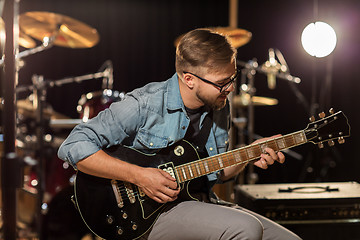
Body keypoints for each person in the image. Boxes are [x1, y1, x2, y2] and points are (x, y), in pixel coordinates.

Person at [58, 28, 301, 240]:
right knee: (246, 229)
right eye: (221, 82)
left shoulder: (219, 105)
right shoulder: (145, 103)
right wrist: (140, 176)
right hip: (146, 215)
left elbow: (215, 173)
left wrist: (250, 154)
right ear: (189, 79)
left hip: (199, 203)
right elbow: (73, 146)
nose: (229, 88)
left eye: (232, 78)